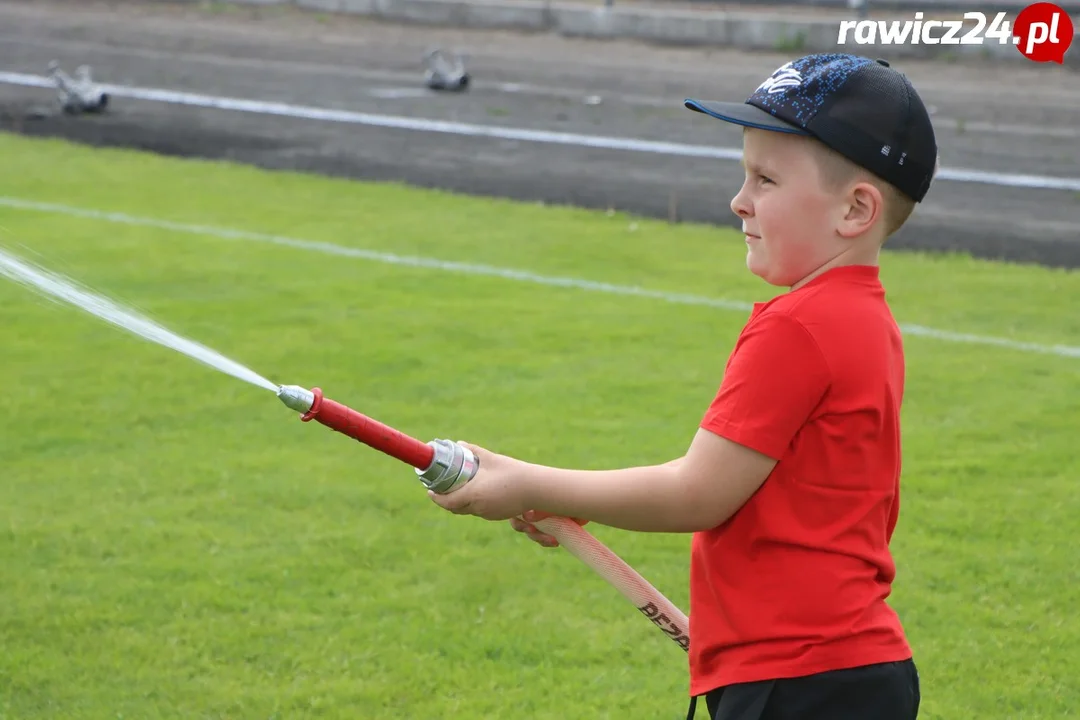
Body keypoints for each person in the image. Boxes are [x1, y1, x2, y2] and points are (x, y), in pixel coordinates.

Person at [428, 52, 939, 720]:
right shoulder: (864, 317)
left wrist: (531, 483)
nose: (739, 201)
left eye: (766, 180)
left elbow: (696, 493)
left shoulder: (799, 328)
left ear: (856, 209)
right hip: (839, 669)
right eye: (743, 174)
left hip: (801, 680)